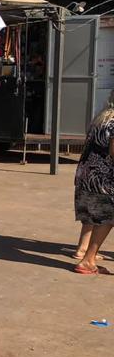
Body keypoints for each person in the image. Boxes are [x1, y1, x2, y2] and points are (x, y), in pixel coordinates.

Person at [73, 91, 114, 275]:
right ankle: (88, 260)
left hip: (86, 175)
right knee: (108, 218)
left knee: (94, 216)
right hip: (102, 179)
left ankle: (84, 252)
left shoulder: (101, 118)